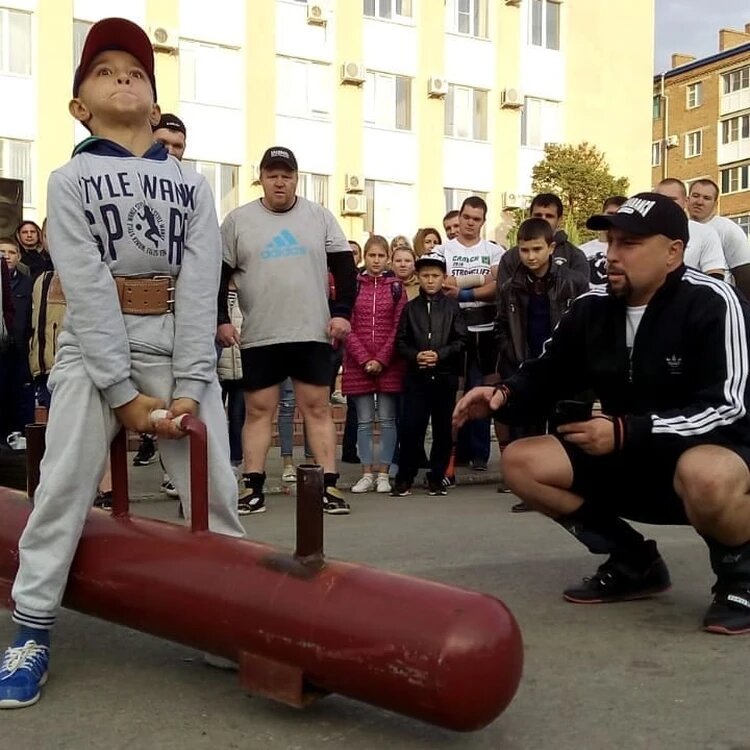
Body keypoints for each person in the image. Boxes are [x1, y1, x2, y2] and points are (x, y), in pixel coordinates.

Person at [0, 18, 246, 709]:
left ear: (154, 94)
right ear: (79, 106)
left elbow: (203, 287)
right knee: (62, 490)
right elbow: (82, 281)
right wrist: (122, 394)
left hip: (175, 341)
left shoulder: (194, 186)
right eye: (104, 71)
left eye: (135, 71)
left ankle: (223, 615)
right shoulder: (70, 175)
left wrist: (195, 383)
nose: (123, 79)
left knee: (214, 492)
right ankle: (31, 629)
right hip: (94, 346)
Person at [454, 192, 750, 636]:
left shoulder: (713, 302)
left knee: (706, 472)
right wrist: (503, 396)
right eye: (610, 242)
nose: (611, 255)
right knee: (522, 461)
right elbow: (547, 370)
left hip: (703, 458)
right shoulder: (592, 306)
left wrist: (628, 431)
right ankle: (635, 560)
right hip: (627, 452)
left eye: (628, 244)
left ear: (673, 252)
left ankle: (739, 577)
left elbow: (729, 406)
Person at [218, 146, 357, 515]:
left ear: (296, 178)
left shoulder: (319, 217)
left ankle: (328, 486)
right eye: (272, 175)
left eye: (287, 175)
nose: (279, 182)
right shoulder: (237, 221)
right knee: (259, 411)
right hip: (262, 334)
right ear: (261, 178)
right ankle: (254, 488)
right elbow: (217, 275)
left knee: (318, 409)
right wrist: (221, 318)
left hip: (311, 332)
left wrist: (342, 312)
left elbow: (345, 269)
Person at [495, 218, 589, 511]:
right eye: (524, 250)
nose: (531, 256)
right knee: (529, 434)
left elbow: (589, 323)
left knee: (569, 432)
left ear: (551, 247)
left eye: (537, 249)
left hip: (565, 368)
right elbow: (500, 325)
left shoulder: (574, 281)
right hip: (528, 366)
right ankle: (532, 493)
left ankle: (577, 490)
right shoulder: (511, 286)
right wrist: (513, 353)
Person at [392, 253, 467, 496]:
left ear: (443, 278)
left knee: (443, 429)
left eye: (435, 276)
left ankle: (437, 477)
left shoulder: (452, 307)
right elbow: (400, 341)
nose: (430, 281)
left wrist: (440, 354)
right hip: (416, 377)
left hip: (445, 376)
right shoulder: (410, 308)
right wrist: (416, 356)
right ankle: (405, 477)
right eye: (425, 276)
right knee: (411, 427)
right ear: (418, 277)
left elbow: (462, 340)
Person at [439, 196, 502, 471]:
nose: (470, 223)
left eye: (476, 219)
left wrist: (463, 288)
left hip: (488, 330)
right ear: (459, 217)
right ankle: (457, 451)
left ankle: (480, 454)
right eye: (466, 217)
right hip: (456, 330)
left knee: (483, 389)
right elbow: (441, 284)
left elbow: (498, 284)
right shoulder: (443, 251)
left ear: (483, 222)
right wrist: (481, 278)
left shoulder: (495, 250)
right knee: (457, 390)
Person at [343, 235, 406, 494]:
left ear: (387, 258)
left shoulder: (396, 287)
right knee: (365, 421)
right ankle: (366, 472)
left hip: (389, 363)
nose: (377, 260)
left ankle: (384, 473)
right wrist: (363, 358)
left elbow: (398, 326)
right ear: (365, 257)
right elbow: (346, 324)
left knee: (389, 420)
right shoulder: (353, 286)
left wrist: (381, 358)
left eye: (381, 256)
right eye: (372, 256)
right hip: (359, 363)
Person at [500, 193, 588, 284]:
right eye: (538, 215)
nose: (543, 219)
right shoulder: (510, 257)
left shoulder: (575, 256)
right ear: (530, 217)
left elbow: (582, 293)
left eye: (549, 216)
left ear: (559, 220)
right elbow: (504, 294)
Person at [688, 178, 750, 298]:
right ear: (688, 199)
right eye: (695, 196)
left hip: (717, 302)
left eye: (707, 198)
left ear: (715, 203)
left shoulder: (728, 229)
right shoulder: (680, 227)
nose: (699, 202)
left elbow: (745, 275)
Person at [0, 239, 34, 445]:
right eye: (1, 251)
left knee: (19, 394)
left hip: (19, 348)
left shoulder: (29, 284)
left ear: (18, 256)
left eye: (11, 252)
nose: (5, 256)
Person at [655, 179, 725, 279]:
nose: (667, 204)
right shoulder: (640, 231)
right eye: (662, 199)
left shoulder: (705, 233)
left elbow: (715, 275)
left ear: (685, 202)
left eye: (673, 200)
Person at [578, 197, 627, 288]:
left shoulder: (632, 251)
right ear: (602, 214)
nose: (613, 219)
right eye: (610, 214)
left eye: (618, 215)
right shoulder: (581, 251)